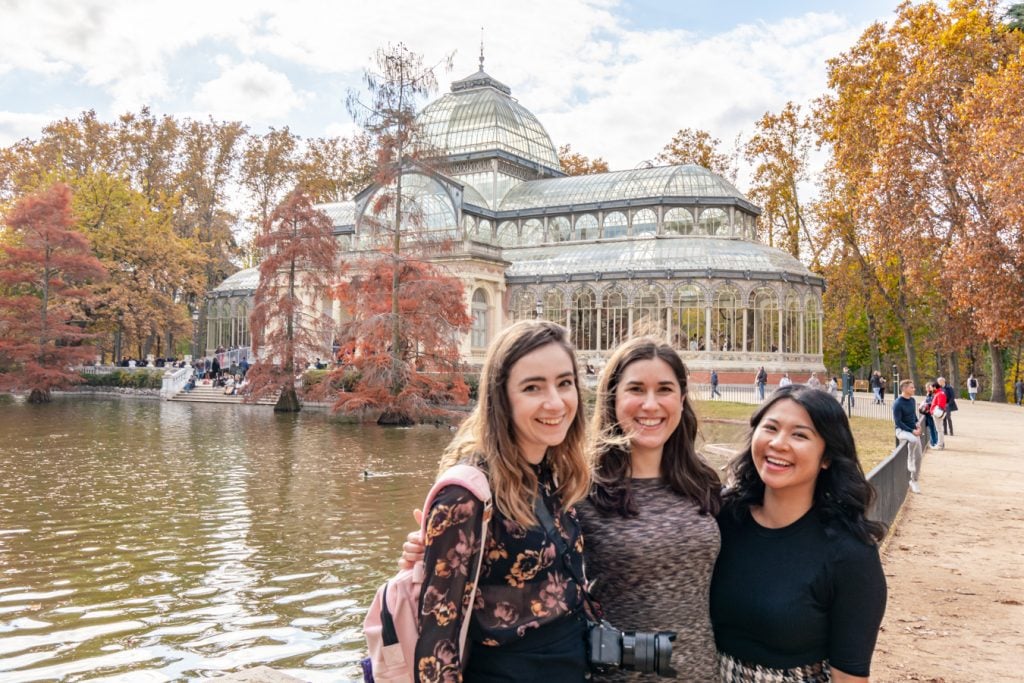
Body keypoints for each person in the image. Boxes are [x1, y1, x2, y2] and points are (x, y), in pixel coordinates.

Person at [414, 320, 592, 682]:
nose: (555, 402)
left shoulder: (553, 472)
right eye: (532, 387)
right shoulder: (466, 495)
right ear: (501, 397)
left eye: (564, 383)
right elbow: (436, 643)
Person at [712, 385, 888, 681]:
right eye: (771, 428)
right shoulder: (722, 519)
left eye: (800, 435)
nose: (778, 444)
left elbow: (850, 677)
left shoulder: (850, 556)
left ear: (827, 457)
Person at [579, 337, 723, 681]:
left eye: (664, 389)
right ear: (612, 398)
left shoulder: (703, 483)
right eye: (636, 389)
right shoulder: (581, 490)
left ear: (682, 399)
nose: (650, 404)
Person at [894, 379, 924, 494]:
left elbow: (913, 415)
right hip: (902, 430)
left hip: (913, 431)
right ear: (904, 389)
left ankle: (914, 481)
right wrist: (911, 430)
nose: (914, 389)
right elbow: (898, 422)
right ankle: (909, 460)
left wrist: (917, 425)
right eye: (911, 387)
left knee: (919, 457)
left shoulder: (912, 400)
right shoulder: (898, 403)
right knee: (912, 440)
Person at [929, 381, 947, 450]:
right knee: (939, 429)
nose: (930, 389)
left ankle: (939, 445)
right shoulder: (939, 393)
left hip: (937, 413)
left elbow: (941, 405)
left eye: (931, 388)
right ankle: (940, 444)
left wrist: (934, 411)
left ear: (935, 387)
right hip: (937, 412)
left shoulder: (939, 394)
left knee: (939, 430)